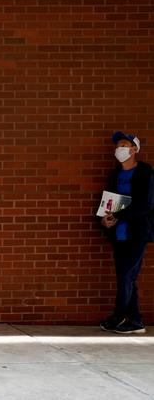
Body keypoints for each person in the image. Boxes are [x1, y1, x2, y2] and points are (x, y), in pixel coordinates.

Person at [99, 131, 153, 334]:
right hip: (118, 234)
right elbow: (108, 201)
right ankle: (136, 320)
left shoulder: (145, 173)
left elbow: (146, 204)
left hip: (137, 233)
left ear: (134, 149)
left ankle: (119, 316)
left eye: (124, 144)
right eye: (117, 145)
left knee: (125, 277)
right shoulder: (115, 174)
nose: (119, 148)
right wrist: (104, 218)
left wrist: (120, 216)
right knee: (127, 278)